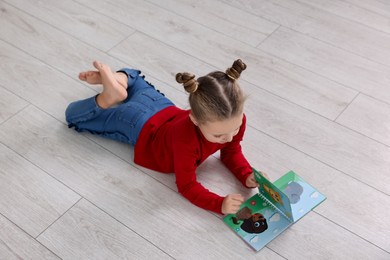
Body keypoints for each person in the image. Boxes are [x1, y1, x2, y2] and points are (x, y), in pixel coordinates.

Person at [65, 59, 264, 215]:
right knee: (74, 117)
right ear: (194, 119)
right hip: (136, 124)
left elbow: (231, 151)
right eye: (219, 135)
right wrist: (219, 204)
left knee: (136, 76)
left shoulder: (235, 120)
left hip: (159, 105)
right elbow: (187, 186)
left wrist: (245, 174)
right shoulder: (186, 142)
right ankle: (106, 98)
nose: (229, 138)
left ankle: (120, 81)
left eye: (235, 129)